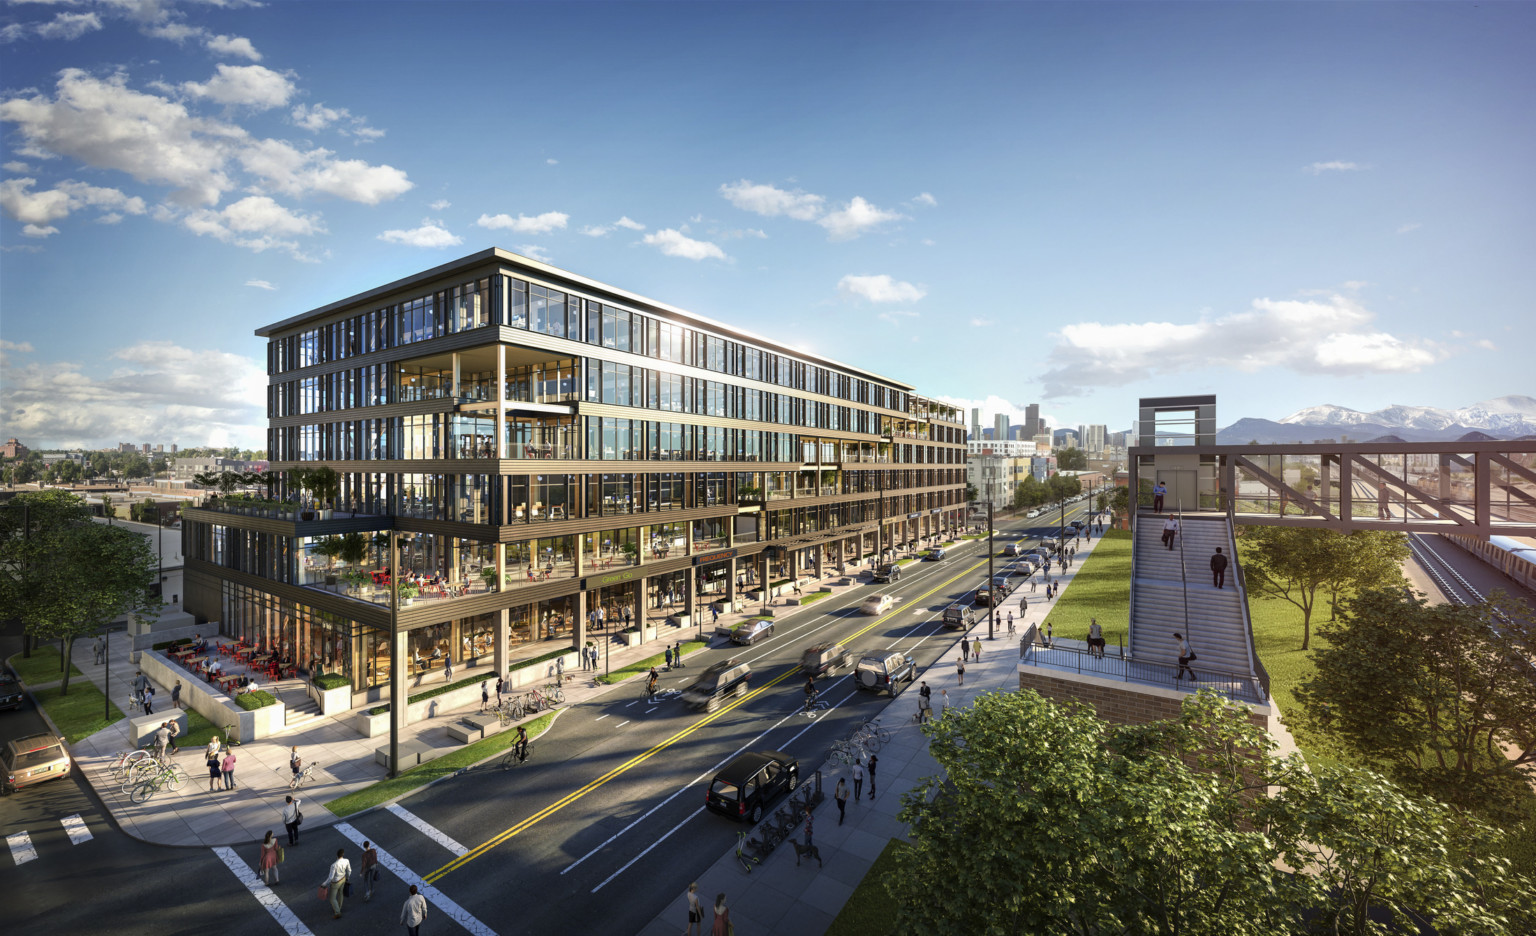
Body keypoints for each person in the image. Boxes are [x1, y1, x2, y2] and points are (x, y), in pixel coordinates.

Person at [321, 847, 351, 919]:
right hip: (343, 879)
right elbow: (349, 870)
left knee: (332, 898)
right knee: (340, 894)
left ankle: (337, 912)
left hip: (335, 883)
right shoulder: (346, 861)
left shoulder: (334, 865)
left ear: (336, 855)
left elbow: (331, 877)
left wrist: (324, 884)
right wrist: (347, 878)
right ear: (343, 854)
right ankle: (338, 907)